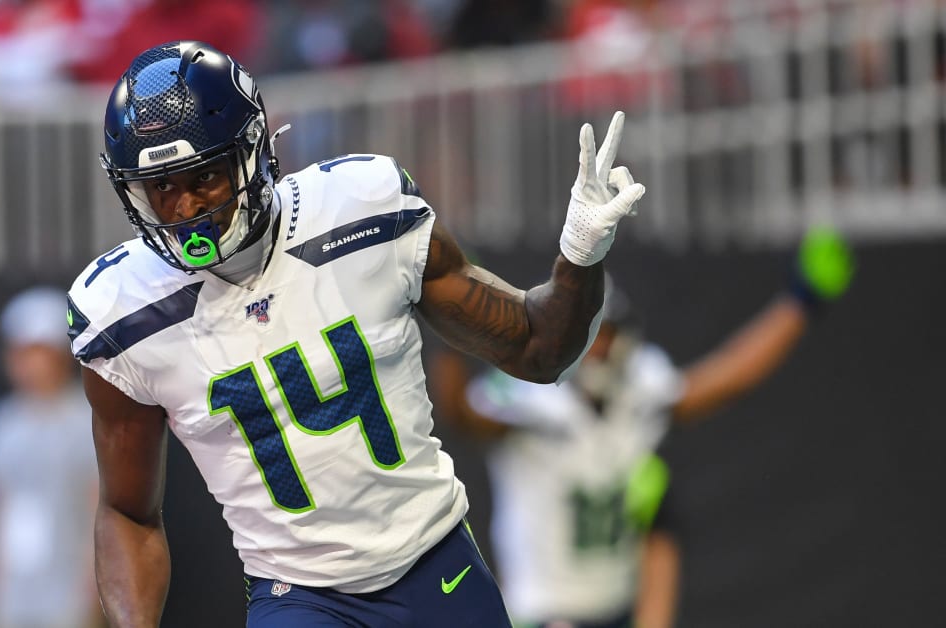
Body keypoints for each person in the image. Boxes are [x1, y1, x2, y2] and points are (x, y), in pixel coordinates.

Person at [64, 40, 645, 627]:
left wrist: (579, 252)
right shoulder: (122, 315)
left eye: (205, 175)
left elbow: (538, 349)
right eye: (162, 187)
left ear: (255, 152)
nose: (186, 207)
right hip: (299, 596)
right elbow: (127, 511)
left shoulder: (360, 213)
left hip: (434, 566)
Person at [431, 229, 855, 628]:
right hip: (541, 614)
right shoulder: (528, 398)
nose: (594, 350)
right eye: (584, 336)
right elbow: (460, 415)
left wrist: (800, 303)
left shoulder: (640, 389)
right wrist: (448, 323)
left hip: (620, 610)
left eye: (603, 334)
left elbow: (725, 379)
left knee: (656, 497)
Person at [0, 287, 102, 628]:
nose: (29, 364)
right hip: (11, 595)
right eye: (21, 353)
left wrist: (92, 589)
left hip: (68, 596)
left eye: (39, 352)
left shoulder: (87, 420)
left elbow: (99, 508)